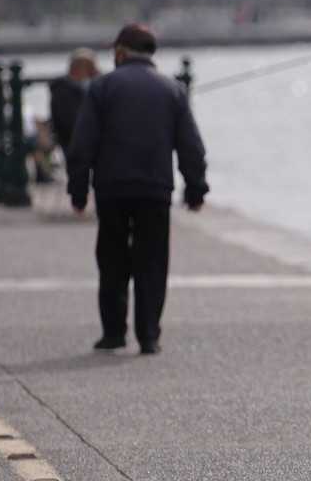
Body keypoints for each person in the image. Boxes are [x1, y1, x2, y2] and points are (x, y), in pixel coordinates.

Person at [66, 24, 208, 356]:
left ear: (120, 52)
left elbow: (82, 144)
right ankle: (149, 335)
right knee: (152, 262)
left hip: (112, 188)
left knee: (112, 259)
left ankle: (114, 332)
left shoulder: (102, 87)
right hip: (155, 188)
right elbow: (190, 145)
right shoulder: (172, 90)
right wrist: (196, 190)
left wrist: (78, 191)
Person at [49, 47, 99, 156]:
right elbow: (71, 124)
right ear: (80, 69)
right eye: (90, 72)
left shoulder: (69, 89)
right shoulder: (64, 92)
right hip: (73, 144)